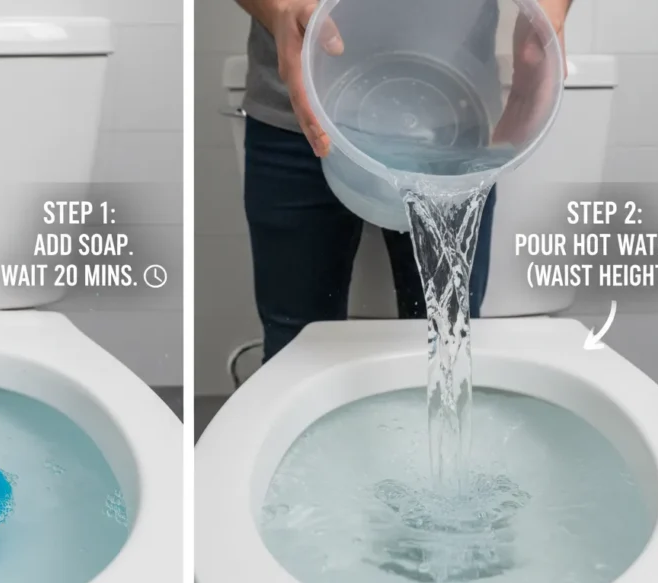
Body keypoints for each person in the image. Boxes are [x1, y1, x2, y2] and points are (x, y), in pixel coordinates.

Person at [234, 0, 571, 361]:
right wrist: (279, 9)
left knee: (446, 341)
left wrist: (549, 10)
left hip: (453, 125)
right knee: (295, 348)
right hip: (299, 110)